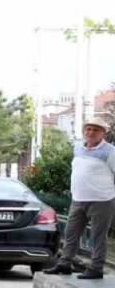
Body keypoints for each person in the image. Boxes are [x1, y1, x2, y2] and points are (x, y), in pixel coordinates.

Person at [43, 118, 115, 279]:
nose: (91, 132)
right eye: (88, 129)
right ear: (84, 131)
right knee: (70, 233)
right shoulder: (78, 148)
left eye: (96, 130)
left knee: (98, 235)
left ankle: (96, 268)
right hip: (78, 199)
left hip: (101, 200)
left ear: (103, 133)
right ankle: (64, 264)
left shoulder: (110, 151)